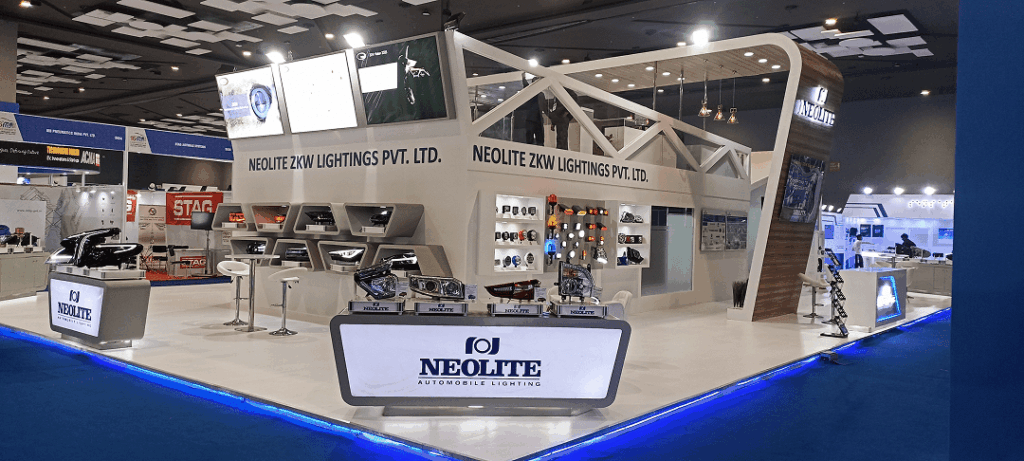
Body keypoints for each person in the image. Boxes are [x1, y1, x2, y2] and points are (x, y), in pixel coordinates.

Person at [512, 73, 547, 145]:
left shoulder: (541, 94)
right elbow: (526, 85)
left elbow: (544, 106)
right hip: (531, 119)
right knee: (530, 138)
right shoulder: (531, 93)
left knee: (539, 138)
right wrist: (523, 78)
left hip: (538, 119)